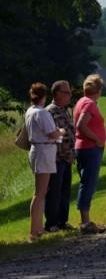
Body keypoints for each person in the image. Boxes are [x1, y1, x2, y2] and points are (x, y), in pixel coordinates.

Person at [25, 82, 65, 242]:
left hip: (38, 150)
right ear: (44, 96)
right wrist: (60, 131)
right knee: (40, 193)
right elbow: (53, 134)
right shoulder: (42, 113)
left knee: (41, 192)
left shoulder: (30, 111)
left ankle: (38, 228)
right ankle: (34, 231)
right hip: (43, 151)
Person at [74, 74, 106, 234]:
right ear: (99, 90)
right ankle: (85, 222)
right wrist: (97, 139)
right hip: (90, 148)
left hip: (84, 148)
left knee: (86, 182)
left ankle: (86, 219)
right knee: (88, 183)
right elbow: (81, 125)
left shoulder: (81, 101)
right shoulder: (89, 104)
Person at [44, 80, 75, 232]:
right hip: (56, 158)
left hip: (67, 158)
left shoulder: (65, 110)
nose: (70, 95)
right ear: (56, 94)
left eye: (70, 92)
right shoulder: (50, 112)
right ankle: (51, 223)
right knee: (54, 192)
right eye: (66, 92)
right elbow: (52, 135)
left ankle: (63, 221)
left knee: (65, 191)